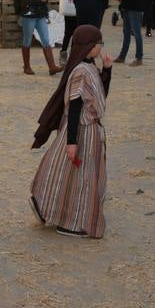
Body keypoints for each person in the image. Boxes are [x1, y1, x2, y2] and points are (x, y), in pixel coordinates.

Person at [29, 24, 114, 237]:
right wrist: (72, 142)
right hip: (81, 132)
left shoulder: (89, 66)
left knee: (69, 176)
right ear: (88, 46)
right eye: (98, 44)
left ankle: (50, 208)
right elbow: (75, 109)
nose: (100, 47)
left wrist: (107, 70)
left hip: (89, 132)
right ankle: (71, 222)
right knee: (80, 179)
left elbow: (99, 94)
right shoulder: (80, 72)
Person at [14, 0, 61, 76]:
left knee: (46, 39)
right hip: (28, 16)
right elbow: (26, 0)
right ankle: (27, 66)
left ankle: (52, 67)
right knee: (27, 40)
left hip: (40, 15)